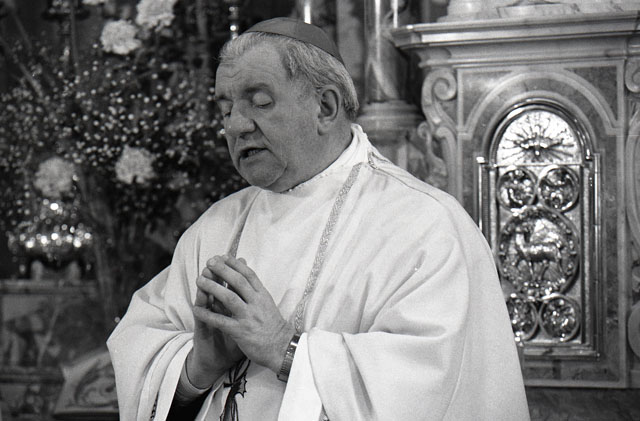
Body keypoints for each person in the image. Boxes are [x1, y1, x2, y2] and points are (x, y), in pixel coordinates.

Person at [107, 17, 530, 421]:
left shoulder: (424, 225)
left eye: (260, 102)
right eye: (225, 108)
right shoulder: (215, 228)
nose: (235, 126)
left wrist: (283, 348)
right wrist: (198, 366)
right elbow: (141, 345)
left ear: (325, 107)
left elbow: (429, 385)